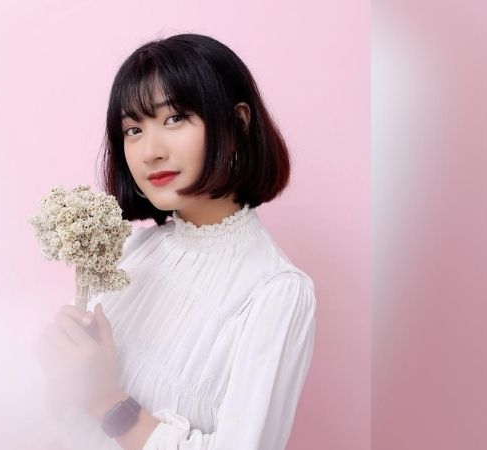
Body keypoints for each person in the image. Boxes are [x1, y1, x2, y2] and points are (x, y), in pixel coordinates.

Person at [35, 33, 316, 450]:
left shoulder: (275, 293)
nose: (150, 151)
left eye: (174, 119)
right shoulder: (128, 251)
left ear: (237, 124)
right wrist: (59, 375)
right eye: (133, 129)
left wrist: (105, 401)